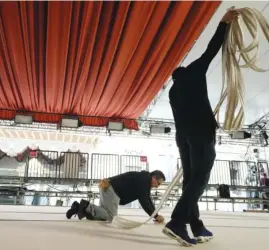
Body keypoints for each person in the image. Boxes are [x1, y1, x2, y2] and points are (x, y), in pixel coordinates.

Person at [162, 10, 239, 247]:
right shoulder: (194, 73)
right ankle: (177, 221)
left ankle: (194, 223)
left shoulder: (173, 91)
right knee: (200, 178)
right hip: (201, 133)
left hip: (183, 137)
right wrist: (224, 24)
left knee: (190, 180)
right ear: (186, 70)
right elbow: (211, 50)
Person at [66, 170, 166, 223]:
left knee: (102, 213)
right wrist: (156, 216)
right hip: (112, 189)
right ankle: (83, 207)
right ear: (153, 178)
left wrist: (155, 214)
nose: (158, 186)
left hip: (108, 187)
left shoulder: (144, 180)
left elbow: (147, 199)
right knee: (110, 216)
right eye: (158, 183)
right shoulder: (144, 181)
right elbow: (144, 201)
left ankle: (80, 209)